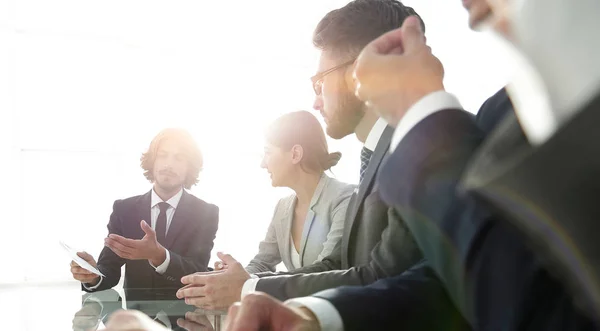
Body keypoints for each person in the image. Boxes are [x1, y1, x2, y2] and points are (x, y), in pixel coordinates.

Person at [224, 0, 600, 330]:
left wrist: (421, 113)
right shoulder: (499, 114)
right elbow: (449, 279)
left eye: (320, 81)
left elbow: (516, 293)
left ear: (361, 68)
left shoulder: (437, 139)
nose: (470, 7)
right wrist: (321, 316)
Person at [175, 0, 423, 311]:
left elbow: (381, 278)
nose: (316, 103)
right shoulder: (379, 156)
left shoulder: (415, 150)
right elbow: (340, 264)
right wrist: (241, 285)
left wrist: (248, 289)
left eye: (320, 83)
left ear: (362, 72)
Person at [70, 128, 219, 292]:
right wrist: (94, 276)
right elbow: (109, 270)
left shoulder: (206, 213)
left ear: (190, 167)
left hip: (185, 313)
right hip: (135, 314)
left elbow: (197, 271)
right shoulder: (124, 210)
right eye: (162, 155)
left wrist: (159, 256)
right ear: (153, 160)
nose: (169, 164)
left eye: (179, 158)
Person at [217, 111, 354, 275]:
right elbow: (262, 263)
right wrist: (235, 275)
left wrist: (247, 281)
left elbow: (325, 270)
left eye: (268, 152)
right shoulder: (283, 207)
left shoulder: (345, 199)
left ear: (295, 154)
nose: (262, 164)